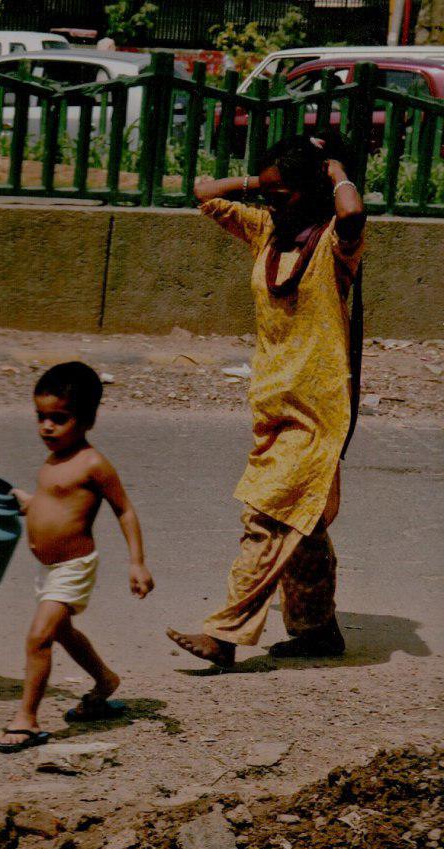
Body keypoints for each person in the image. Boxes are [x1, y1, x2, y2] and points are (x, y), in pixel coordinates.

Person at [167, 130, 366, 668]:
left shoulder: (334, 243)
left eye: (286, 192)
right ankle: (316, 629)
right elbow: (204, 193)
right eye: (268, 194)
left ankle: (225, 634)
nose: (272, 201)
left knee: (266, 515)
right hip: (273, 403)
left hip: (319, 408)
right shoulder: (264, 232)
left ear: (315, 189)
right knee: (304, 524)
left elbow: (352, 214)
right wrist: (265, 181)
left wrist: (334, 168)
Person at [0, 363, 154, 752]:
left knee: (40, 636)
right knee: (62, 632)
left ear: (87, 419)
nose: (46, 427)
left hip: (73, 567)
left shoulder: (92, 463)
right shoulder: (53, 460)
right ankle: (104, 680)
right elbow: (54, 503)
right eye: (41, 417)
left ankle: (27, 720)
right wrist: (28, 504)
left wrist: (136, 562)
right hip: (46, 568)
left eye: (59, 419)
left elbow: (124, 510)